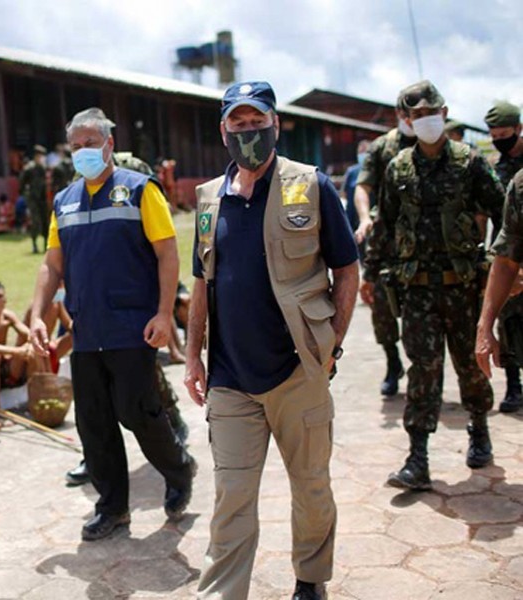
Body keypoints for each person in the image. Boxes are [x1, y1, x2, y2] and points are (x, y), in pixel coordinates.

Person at [184, 81, 359, 600]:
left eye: (256, 122)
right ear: (223, 131)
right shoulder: (209, 199)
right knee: (231, 498)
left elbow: (347, 270)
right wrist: (192, 357)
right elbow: (201, 284)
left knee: (311, 487)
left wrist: (332, 344)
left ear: (275, 124)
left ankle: (310, 579)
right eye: (237, 124)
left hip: (298, 372)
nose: (248, 132)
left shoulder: (311, 185)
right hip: (231, 379)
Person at [29, 107, 195, 542]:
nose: (82, 152)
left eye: (90, 143)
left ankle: (179, 470)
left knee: (137, 411)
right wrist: (37, 316)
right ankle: (112, 508)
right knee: (94, 422)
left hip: (133, 326)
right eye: (75, 146)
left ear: (109, 144)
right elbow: (52, 265)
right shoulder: (64, 201)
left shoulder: (140, 189)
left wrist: (164, 313)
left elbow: (167, 253)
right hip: (86, 330)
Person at [360, 80, 505, 492]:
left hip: (463, 287)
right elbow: (385, 223)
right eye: (417, 115)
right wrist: (371, 272)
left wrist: (502, 265)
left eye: (431, 113)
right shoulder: (398, 167)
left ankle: (479, 428)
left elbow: (504, 213)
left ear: (444, 113)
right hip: (418, 290)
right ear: (407, 120)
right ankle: (417, 457)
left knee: (469, 364)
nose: (425, 120)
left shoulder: (469, 161)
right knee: (422, 370)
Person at [355, 93, 417, 396]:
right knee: (381, 306)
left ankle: (423, 369)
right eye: (407, 114)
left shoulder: (438, 147)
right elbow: (362, 187)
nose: (413, 120)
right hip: (386, 241)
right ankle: (393, 362)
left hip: (425, 242)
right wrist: (364, 218)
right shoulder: (383, 147)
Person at [481, 101, 523, 413]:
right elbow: (483, 213)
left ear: (518, 129)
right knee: (508, 320)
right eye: (494, 136)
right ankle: (513, 384)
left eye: (504, 135)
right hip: (507, 253)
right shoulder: (497, 171)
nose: (499, 141)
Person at [19, 145, 49, 253]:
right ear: (36, 156)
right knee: (36, 221)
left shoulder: (43, 168)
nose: (42, 158)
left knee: (45, 221)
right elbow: (22, 184)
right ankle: (34, 245)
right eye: (40, 156)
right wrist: (26, 197)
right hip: (32, 198)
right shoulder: (29, 168)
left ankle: (46, 245)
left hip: (42, 198)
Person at [341, 139, 371, 241]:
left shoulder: (374, 171)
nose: (362, 155)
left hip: (369, 217)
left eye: (364, 152)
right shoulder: (352, 172)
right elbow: (344, 193)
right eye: (360, 152)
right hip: (352, 218)